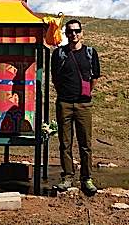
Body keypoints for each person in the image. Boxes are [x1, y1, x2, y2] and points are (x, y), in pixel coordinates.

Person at [51, 19, 100, 195]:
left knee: (85, 143)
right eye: (70, 31)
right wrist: (64, 94)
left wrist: (85, 92)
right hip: (64, 103)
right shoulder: (58, 54)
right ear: (65, 33)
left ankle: (86, 178)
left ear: (82, 32)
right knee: (65, 143)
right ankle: (67, 176)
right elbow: (55, 78)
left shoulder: (90, 52)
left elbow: (95, 76)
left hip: (84, 104)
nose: (74, 34)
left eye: (77, 31)